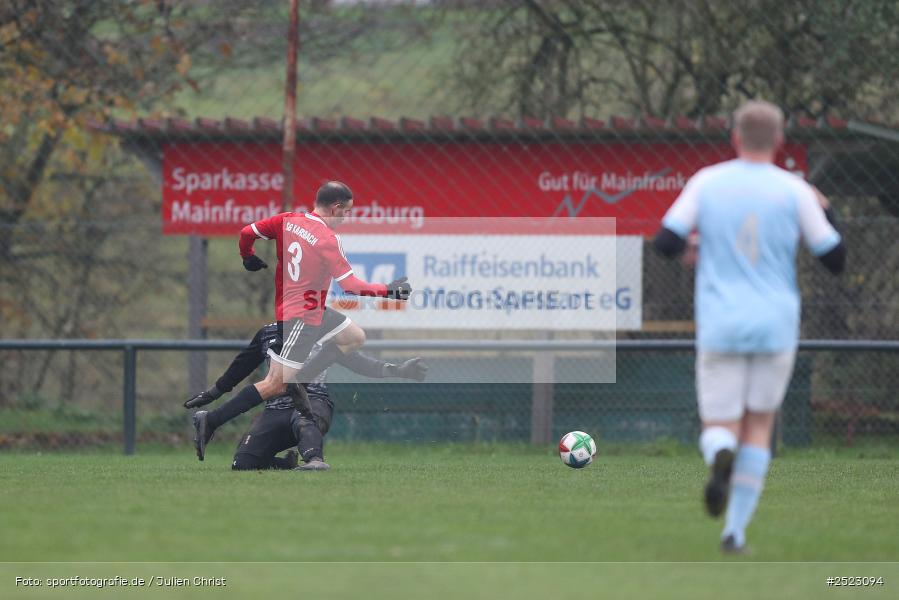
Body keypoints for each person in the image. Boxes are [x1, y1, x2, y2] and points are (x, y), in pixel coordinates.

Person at [653, 100, 846, 554]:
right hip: (775, 324)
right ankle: (734, 533)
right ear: (779, 142)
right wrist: (826, 207)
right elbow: (834, 259)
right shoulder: (794, 189)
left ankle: (720, 451)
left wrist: (692, 252)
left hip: (721, 322)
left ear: (735, 137)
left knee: (720, 423)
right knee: (759, 425)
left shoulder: (708, 181)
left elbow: (665, 242)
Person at [194, 181, 412, 452]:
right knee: (274, 385)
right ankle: (211, 420)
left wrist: (247, 256)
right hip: (301, 317)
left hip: (313, 310)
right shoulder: (328, 240)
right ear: (336, 208)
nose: (346, 217)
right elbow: (352, 287)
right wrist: (389, 290)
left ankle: (300, 380)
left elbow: (246, 231)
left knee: (354, 336)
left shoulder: (287, 220)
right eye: (346, 212)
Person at [186, 322, 428, 468]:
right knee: (243, 463)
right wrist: (210, 394)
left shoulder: (325, 334)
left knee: (303, 420)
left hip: (314, 401)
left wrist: (399, 370)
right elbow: (239, 368)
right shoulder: (268, 333)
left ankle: (314, 460)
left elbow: (360, 363)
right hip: (276, 408)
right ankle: (287, 465)